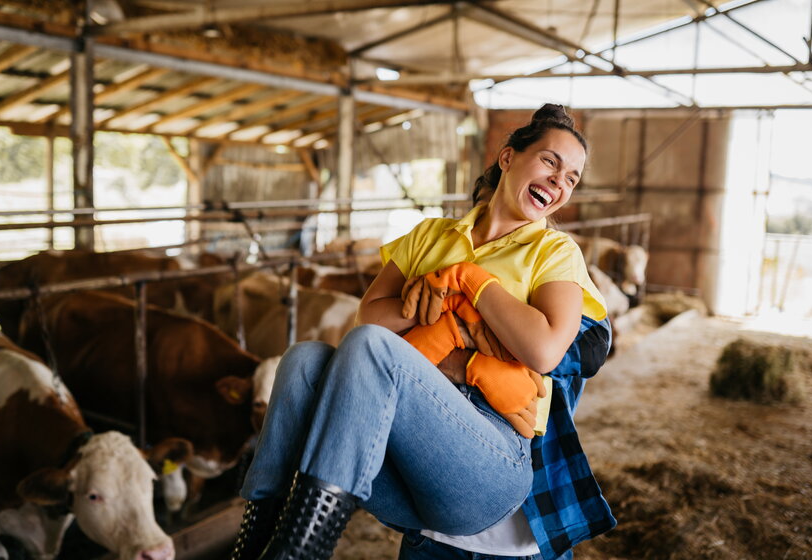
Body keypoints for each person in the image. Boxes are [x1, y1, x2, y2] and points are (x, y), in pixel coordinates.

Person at [230, 103, 616, 560]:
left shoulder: (554, 251)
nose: (559, 181)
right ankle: (266, 538)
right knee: (303, 360)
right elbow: (369, 317)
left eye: (572, 177)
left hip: (491, 466)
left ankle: (299, 551)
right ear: (508, 157)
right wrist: (452, 316)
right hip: (418, 474)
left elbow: (545, 350)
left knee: (373, 348)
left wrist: (467, 282)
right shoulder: (430, 235)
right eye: (551, 162)